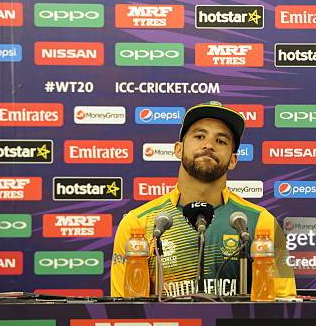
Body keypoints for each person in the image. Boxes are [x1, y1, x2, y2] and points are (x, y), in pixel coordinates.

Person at [110, 101, 296, 297]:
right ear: (178, 149)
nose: (208, 145)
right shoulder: (137, 223)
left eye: (221, 141)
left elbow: (283, 306)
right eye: (199, 136)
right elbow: (124, 312)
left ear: (233, 160)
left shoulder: (261, 223)